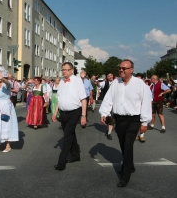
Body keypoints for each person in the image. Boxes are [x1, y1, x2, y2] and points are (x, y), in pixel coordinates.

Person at [99, 59, 152, 187]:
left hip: (133, 119)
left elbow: (146, 103)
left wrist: (144, 122)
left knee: (128, 145)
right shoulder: (116, 83)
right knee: (123, 144)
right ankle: (130, 166)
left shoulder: (140, 84)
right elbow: (108, 99)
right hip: (119, 119)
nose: (121, 70)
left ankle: (125, 176)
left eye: (124, 68)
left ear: (131, 70)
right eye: (120, 68)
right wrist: (104, 113)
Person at [52, 62, 87, 171]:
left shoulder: (77, 81)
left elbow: (83, 99)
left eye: (66, 69)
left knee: (67, 135)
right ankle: (76, 155)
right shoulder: (62, 81)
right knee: (70, 134)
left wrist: (83, 116)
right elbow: (59, 99)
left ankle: (61, 162)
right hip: (63, 113)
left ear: (72, 70)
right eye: (63, 69)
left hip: (74, 112)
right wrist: (55, 113)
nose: (64, 72)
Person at [98, 72, 115, 140]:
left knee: (112, 119)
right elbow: (99, 85)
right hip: (107, 103)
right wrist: (97, 83)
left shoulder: (117, 83)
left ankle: (109, 132)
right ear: (107, 77)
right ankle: (108, 130)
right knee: (108, 119)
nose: (110, 77)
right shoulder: (105, 83)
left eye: (111, 75)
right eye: (108, 76)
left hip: (114, 103)